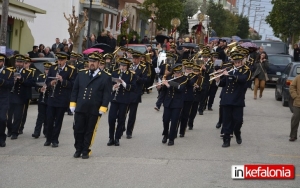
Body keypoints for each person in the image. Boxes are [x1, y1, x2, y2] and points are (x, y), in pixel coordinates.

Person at [70, 52, 111, 159]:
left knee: (89, 130)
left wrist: (103, 107)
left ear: (98, 63)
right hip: (80, 107)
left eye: (94, 62)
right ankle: (78, 149)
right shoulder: (81, 74)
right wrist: (73, 103)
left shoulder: (105, 77)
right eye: (90, 61)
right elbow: (75, 90)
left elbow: (107, 94)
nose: (91, 63)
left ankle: (85, 150)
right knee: (77, 129)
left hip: (94, 108)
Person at [215, 53, 251, 147]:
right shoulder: (229, 70)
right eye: (235, 62)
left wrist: (228, 75)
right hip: (227, 99)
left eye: (239, 62)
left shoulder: (245, 70)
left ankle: (237, 132)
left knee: (238, 120)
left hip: (238, 99)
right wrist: (218, 79)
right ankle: (226, 140)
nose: (237, 64)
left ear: (242, 62)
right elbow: (223, 84)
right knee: (227, 120)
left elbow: (243, 79)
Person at [44, 52, 77, 147]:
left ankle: (55, 140)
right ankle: (48, 139)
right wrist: (51, 83)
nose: (60, 62)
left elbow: (73, 84)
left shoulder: (70, 70)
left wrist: (63, 81)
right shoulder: (53, 68)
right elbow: (47, 81)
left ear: (66, 60)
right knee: (49, 120)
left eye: (62, 60)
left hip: (62, 99)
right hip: (52, 98)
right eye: (58, 60)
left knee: (58, 121)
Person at [108, 58, 136, 146]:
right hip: (114, 99)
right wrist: (113, 88)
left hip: (124, 99)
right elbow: (108, 85)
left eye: (124, 66)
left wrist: (124, 84)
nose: (122, 67)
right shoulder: (115, 72)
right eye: (121, 65)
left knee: (121, 119)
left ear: (127, 66)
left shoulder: (131, 74)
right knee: (111, 118)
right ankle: (111, 137)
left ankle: (117, 138)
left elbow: (133, 87)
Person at [158, 64, 187, 146]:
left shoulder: (184, 79)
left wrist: (168, 84)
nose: (177, 74)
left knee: (174, 121)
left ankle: (171, 138)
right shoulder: (169, 78)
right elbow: (164, 90)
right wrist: (160, 87)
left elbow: (180, 88)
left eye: (178, 73)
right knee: (165, 120)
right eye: (175, 73)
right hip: (168, 102)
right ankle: (165, 134)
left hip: (177, 103)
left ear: (181, 73)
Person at [7, 55, 35, 139]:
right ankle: (9, 129)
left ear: (23, 63)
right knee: (8, 116)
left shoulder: (28, 72)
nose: (18, 64)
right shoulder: (10, 71)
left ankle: (15, 132)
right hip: (11, 96)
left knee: (18, 116)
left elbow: (31, 83)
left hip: (21, 97)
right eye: (17, 62)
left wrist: (21, 79)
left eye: (20, 62)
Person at [125, 51, 147, 139]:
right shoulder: (129, 66)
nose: (135, 60)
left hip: (136, 92)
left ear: (140, 59)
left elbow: (145, 80)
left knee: (132, 114)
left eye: (136, 59)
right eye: (134, 58)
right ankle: (122, 126)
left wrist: (136, 77)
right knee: (123, 112)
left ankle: (129, 131)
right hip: (127, 92)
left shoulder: (143, 68)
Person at [32, 62, 52, 138]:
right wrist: (40, 89)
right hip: (41, 99)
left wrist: (48, 88)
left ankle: (46, 131)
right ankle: (36, 132)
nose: (47, 71)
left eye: (48, 69)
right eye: (46, 69)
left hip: (49, 98)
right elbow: (36, 86)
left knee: (48, 116)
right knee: (40, 116)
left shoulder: (52, 78)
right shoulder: (40, 76)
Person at [178, 61, 197, 137]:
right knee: (178, 115)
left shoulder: (194, 76)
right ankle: (175, 130)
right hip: (180, 97)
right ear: (184, 69)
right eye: (187, 69)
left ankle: (182, 131)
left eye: (190, 69)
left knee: (185, 115)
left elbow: (191, 83)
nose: (188, 70)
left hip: (188, 98)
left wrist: (186, 77)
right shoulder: (180, 75)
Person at [18, 57, 36, 134]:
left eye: (26, 63)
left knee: (23, 112)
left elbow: (32, 83)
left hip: (26, 95)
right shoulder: (19, 70)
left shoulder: (32, 72)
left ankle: (21, 127)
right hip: (18, 94)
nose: (24, 65)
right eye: (23, 63)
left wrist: (22, 80)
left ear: (29, 64)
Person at [0, 54, 14, 147]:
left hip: (3, 98)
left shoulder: (8, 72)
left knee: (2, 119)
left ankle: (2, 138)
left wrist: (1, 81)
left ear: (3, 62)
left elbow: (10, 84)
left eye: (0, 61)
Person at [198, 50, 214, 115]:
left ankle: (201, 109)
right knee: (197, 95)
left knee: (204, 95)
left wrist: (205, 68)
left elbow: (211, 72)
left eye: (206, 57)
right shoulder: (199, 62)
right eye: (203, 57)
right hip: (198, 81)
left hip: (205, 81)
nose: (204, 58)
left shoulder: (211, 64)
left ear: (208, 57)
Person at [289, 72, 300, 141]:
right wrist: (295, 96)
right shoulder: (298, 77)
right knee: (295, 119)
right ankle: (293, 135)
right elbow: (292, 87)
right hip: (298, 102)